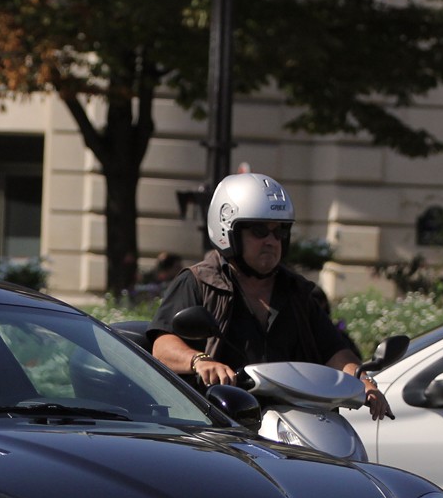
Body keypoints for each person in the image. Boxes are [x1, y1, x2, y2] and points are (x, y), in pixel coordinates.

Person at [148, 170, 392, 420]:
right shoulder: (198, 281)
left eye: (279, 232)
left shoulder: (298, 292)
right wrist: (200, 360)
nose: (271, 241)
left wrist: (363, 381)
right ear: (228, 230)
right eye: (259, 231)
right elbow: (163, 346)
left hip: (296, 423)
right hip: (219, 422)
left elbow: (334, 352)